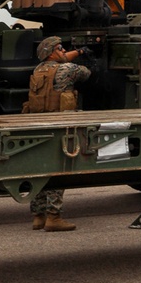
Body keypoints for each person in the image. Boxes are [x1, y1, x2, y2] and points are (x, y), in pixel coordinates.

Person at [23, 36, 91, 232]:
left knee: (40, 171)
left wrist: (74, 53)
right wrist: (81, 56)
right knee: (58, 171)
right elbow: (86, 74)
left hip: (39, 125)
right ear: (52, 52)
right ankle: (54, 217)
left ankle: (38, 216)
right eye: (61, 48)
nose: (63, 51)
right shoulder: (67, 69)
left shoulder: (38, 70)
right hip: (59, 127)